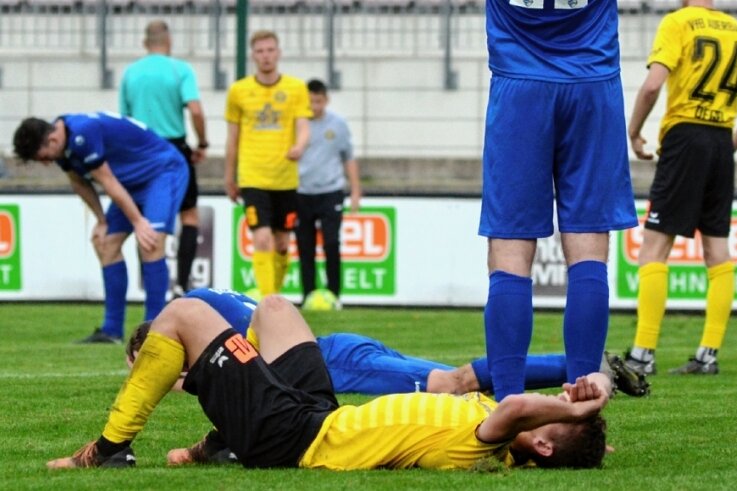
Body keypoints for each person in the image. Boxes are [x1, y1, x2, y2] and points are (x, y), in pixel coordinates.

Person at [47, 294, 610, 471]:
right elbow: (540, 425)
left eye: (550, 413)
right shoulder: (510, 443)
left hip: (294, 434)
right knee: (273, 310)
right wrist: (585, 428)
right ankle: (223, 443)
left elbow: (515, 406)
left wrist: (583, 409)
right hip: (317, 415)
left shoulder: (490, 435)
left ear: (537, 438)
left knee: (187, 312)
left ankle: (108, 450)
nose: (553, 403)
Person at [479, 0, 638, 401]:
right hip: (592, 84)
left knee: (510, 253)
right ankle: (582, 415)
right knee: (588, 254)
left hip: (520, 87)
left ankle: (508, 412)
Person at [125, 288, 649, 397]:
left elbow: (252, 366)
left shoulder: (205, 328)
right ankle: (579, 366)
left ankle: (582, 368)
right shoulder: (208, 301)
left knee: (453, 385)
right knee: (461, 384)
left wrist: (182, 382)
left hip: (338, 367)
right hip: (342, 348)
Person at [625, 0, 737, 376]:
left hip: (685, 135)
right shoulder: (733, 28)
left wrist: (634, 130)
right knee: (717, 251)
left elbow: (653, 85)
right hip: (722, 141)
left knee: (654, 246)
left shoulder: (679, 22)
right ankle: (708, 354)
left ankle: (642, 354)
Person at [12, 112, 188, 343]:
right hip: (131, 186)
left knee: (150, 241)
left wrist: (138, 222)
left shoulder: (83, 134)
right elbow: (79, 183)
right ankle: (112, 330)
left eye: (43, 157)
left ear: (52, 141)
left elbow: (108, 182)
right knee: (105, 243)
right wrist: (101, 221)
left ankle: (155, 329)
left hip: (163, 172)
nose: (46, 163)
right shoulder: (62, 142)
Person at [119, 20, 209, 298]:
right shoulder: (179, 69)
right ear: (169, 41)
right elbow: (194, 109)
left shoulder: (130, 73)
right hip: (173, 150)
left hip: (141, 151)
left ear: (145, 43)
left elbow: (125, 121)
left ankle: (151, 284)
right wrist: (202, 142)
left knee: (146, 220)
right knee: (189, 215)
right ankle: (182, 284)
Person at [224, 30, 311, 297]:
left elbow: (304, 126)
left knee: (282, 243)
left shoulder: (296, 88)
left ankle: (273, 294)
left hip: (285, 178)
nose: (266, 56)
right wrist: (230, 176)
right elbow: (232, 137)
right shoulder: (239, 91)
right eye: (260, 51)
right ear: (253, 55)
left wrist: (299, 146)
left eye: (270, 50)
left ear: (279, 52)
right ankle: (268, 300)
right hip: (253, 176)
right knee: (262, 238)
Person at [296, 79, 362, 303]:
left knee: (332, 243)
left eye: (319, 101)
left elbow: (348, 158)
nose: (314, 106)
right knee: (305, 247)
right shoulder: (297, 124)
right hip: (301, 192)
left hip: (331, 191)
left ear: (326, 100)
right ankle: (308, 295)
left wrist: (355, 191)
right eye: (310, 101)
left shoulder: (338, 124)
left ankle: (334, 295)